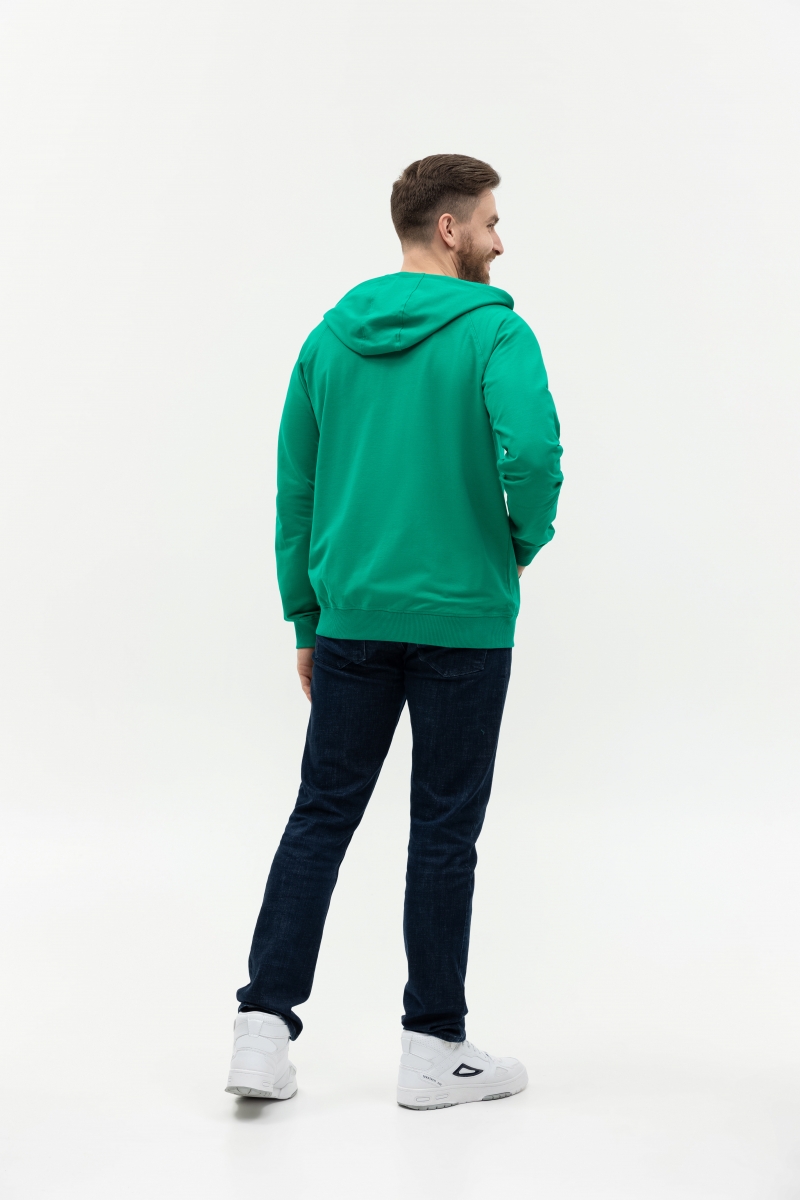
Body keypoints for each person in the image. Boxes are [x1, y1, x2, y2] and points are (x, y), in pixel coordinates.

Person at [226, 154, 563, 1110]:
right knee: (444, 830)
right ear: (449, 230)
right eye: (490, 221)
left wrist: (307, 615)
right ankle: (433, 1047)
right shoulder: (497, 332)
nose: (500, 241)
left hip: (352, 622)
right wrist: (515, 545)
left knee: (320, 815)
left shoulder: (327, 341)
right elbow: (534, 455)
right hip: (465, 621)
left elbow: (296, 490)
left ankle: (260, 1034)